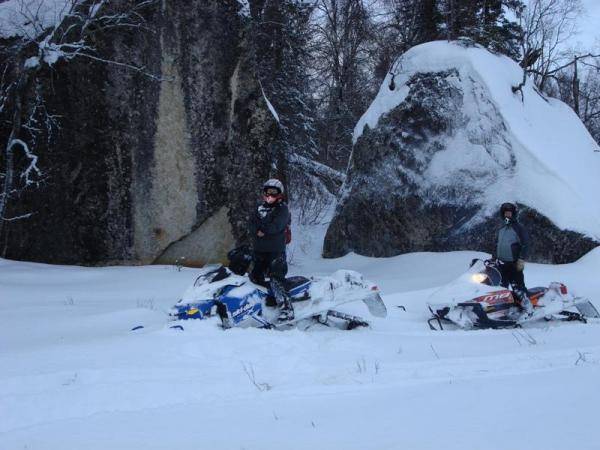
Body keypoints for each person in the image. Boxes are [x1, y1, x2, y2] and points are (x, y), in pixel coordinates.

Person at [249, 178, 293, 322]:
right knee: (255, 277)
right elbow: (251, 223)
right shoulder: (259, 208)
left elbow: (277, 226)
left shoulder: (283, 209)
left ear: (280, 194)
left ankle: (287, 310)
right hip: (259, 250)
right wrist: (257, 230)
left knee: (276, 279)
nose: (270, 195)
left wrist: (263, 230)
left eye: (274, 192)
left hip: (276, 250)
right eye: (268, 192)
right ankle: (264, 304)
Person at [494, 202, 533, 315]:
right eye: (505, 213)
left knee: (518, 288)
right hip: (501, 263)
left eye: (509, 213)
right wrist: (494, 257)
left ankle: (528, 309)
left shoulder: (518, 228)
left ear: (513, 214)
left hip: (514, 264)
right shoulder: (502, 228)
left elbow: (526, 244)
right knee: (501, 290)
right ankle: (503, 310)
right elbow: (498, 244)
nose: (507, 215)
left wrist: (521, 259)